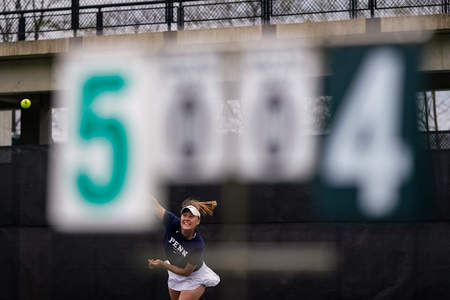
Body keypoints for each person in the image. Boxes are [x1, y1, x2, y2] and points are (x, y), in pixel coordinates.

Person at [148, 196, 220, 300]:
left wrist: (162, 264)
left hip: (194, 276)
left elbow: (186, 272)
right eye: (184, 215)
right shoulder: (172, 222)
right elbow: (155, 206)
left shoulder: (197, 245)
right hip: (175, 270)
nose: (186, 219)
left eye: (191, 216)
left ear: (197, 221)